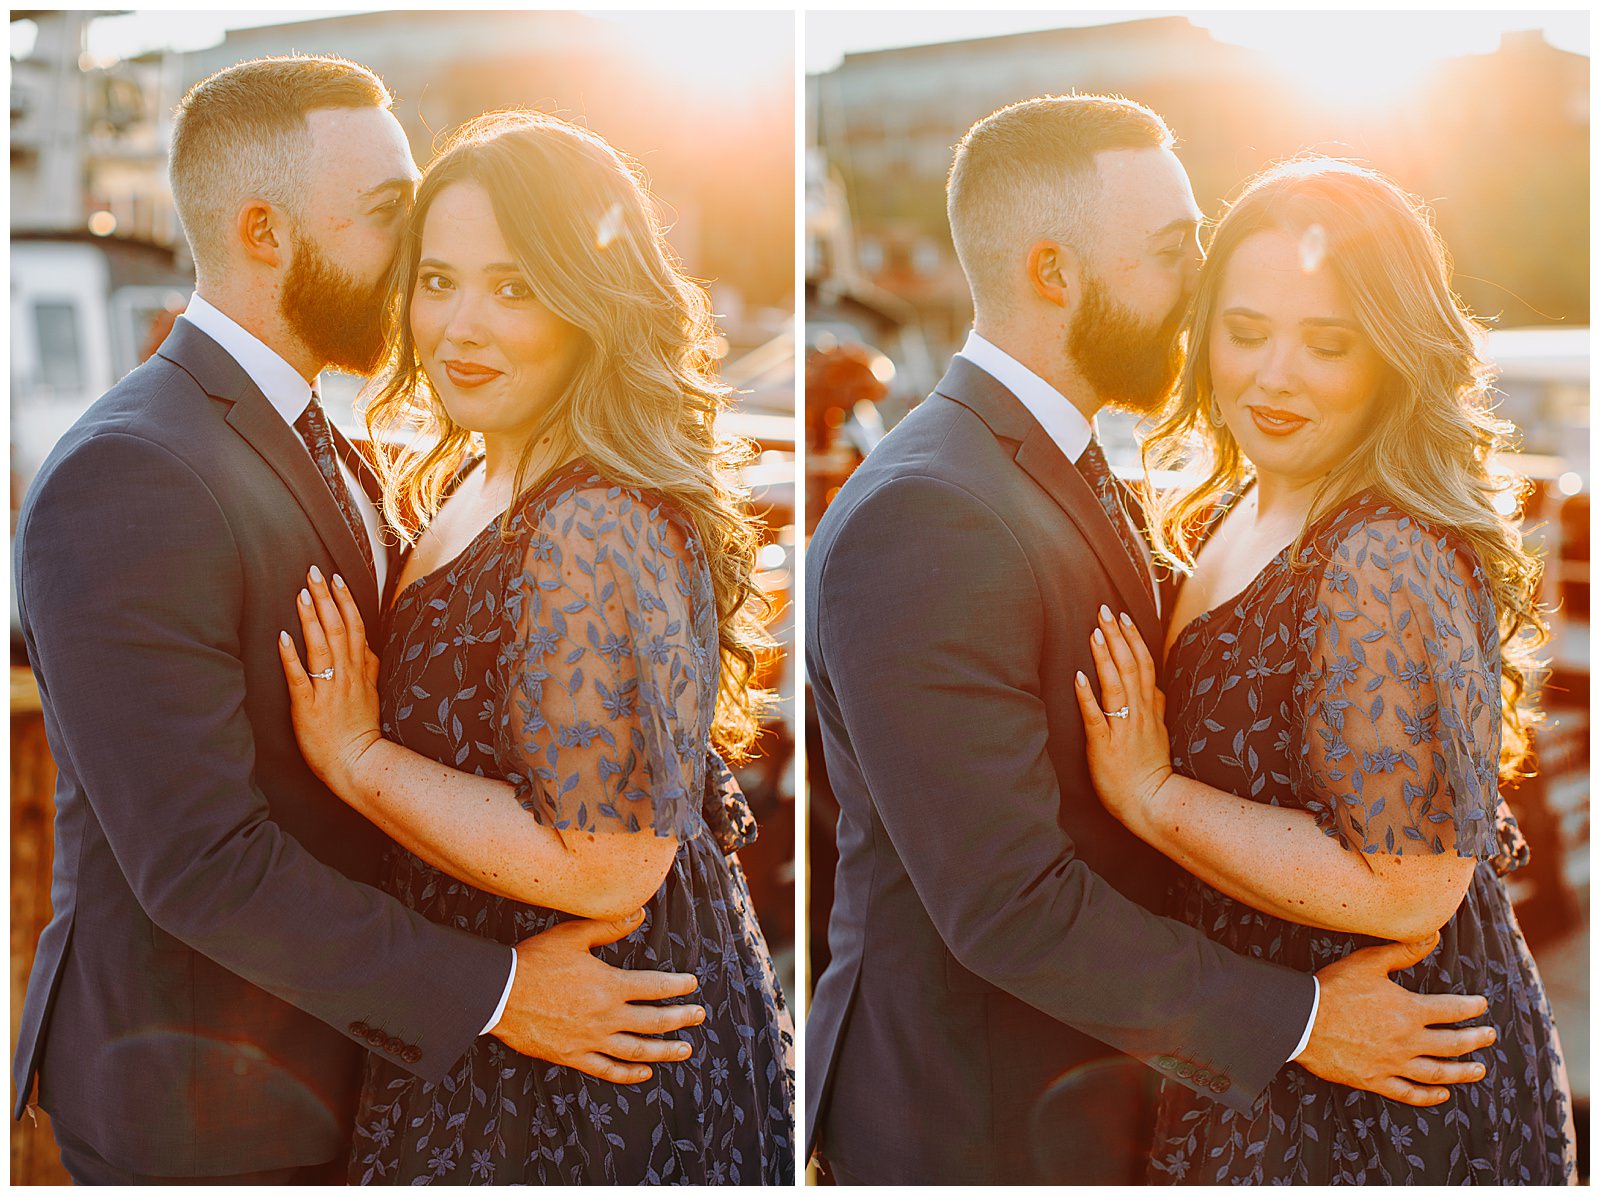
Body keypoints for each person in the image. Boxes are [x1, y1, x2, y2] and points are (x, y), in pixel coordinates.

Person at [11, 55, 704, 1185]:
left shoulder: (323, 435)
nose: (420, 251)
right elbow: (200, 862)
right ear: (264, 231)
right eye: (391, 215)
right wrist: (501, 992)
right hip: (204, 1095)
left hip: (346, 1065)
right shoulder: (132, 471)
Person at [804, 95, 1499, 1186]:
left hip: (1129, 1094)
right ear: (1053, 272)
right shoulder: (930, 508)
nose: (1201, 289)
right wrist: (1304, 1018)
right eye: (1176, 254)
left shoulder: (1049, 459)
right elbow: (1006, 901)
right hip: (978, 1121)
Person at [274, 109, 795, 1185]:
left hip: (593, 1063)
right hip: (508, 1017)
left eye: (515, 287)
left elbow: (608, 861)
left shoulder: (592, 519)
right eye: (438, 280)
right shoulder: (478, 473)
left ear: (592, 305)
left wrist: (360, 760)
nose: (460, 326)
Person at [1075, 156, 1576, 1184]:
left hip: (1393, 1085)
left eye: (1328, 343)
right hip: (1277, 1050)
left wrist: (1151, 793)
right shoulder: (1230, 509)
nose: (1274, 375)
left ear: (1392, 355)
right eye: (1246, 332)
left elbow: (1408, 887)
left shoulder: (1379, 552)